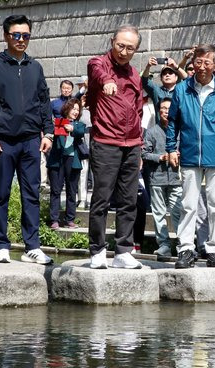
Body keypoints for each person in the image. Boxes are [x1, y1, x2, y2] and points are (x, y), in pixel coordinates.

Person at [0, 14, 54, 264]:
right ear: (6, 36)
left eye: (26, 35)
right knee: (0, 193)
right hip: (3, 140)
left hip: (31, 139)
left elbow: (44, 101)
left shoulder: (36, 67)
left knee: (31, 193)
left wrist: (49, 132)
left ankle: (32, 246)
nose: (22, 40)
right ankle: (1, 244)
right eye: (17, 35)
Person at [166, 43, 215, 269]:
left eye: (207, 62)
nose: (202, 67)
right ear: (192, 64)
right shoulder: (181, 89)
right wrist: (171, 148)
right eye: (198, 62)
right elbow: (173, 122)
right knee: (188, 204)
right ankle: (186, 249)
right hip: (188, 154)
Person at [86, 24, 144, 270]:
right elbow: (97, 70)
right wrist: (108, 81)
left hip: (132, 144)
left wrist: (139, 143)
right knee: (101, 198)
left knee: (129, 199)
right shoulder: (98, 64)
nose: (124, 51)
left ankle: (123, 250)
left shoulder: (134, 75)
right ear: (112, 41)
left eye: (130, 48)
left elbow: (139, 109)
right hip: (106, 141)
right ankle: (97, 250)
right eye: (120, 45)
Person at [142, 97, 182, 257]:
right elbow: (144, 153)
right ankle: (164, 245)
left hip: (176, 178)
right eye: (163, 108)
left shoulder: (180, 130)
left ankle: (182, 245)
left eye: (169, 108)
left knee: (178, 211)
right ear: (159, 111)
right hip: (156, 178)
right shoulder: (151, 132)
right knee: (158, 214)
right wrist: (160, 157)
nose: (166, 111)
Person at [47, 98, 86, 230]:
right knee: (55, 190)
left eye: (77, 110)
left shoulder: (79, 125)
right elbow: (50, 132)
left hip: (72, 160)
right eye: (73, 109)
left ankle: (70, 219)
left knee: (72, 191)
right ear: (67, 109)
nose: (75, 112)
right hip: (57, 160)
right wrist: (56, 126)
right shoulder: (57, 122)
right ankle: (54, 220)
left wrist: (72, 128)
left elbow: (80, 131)